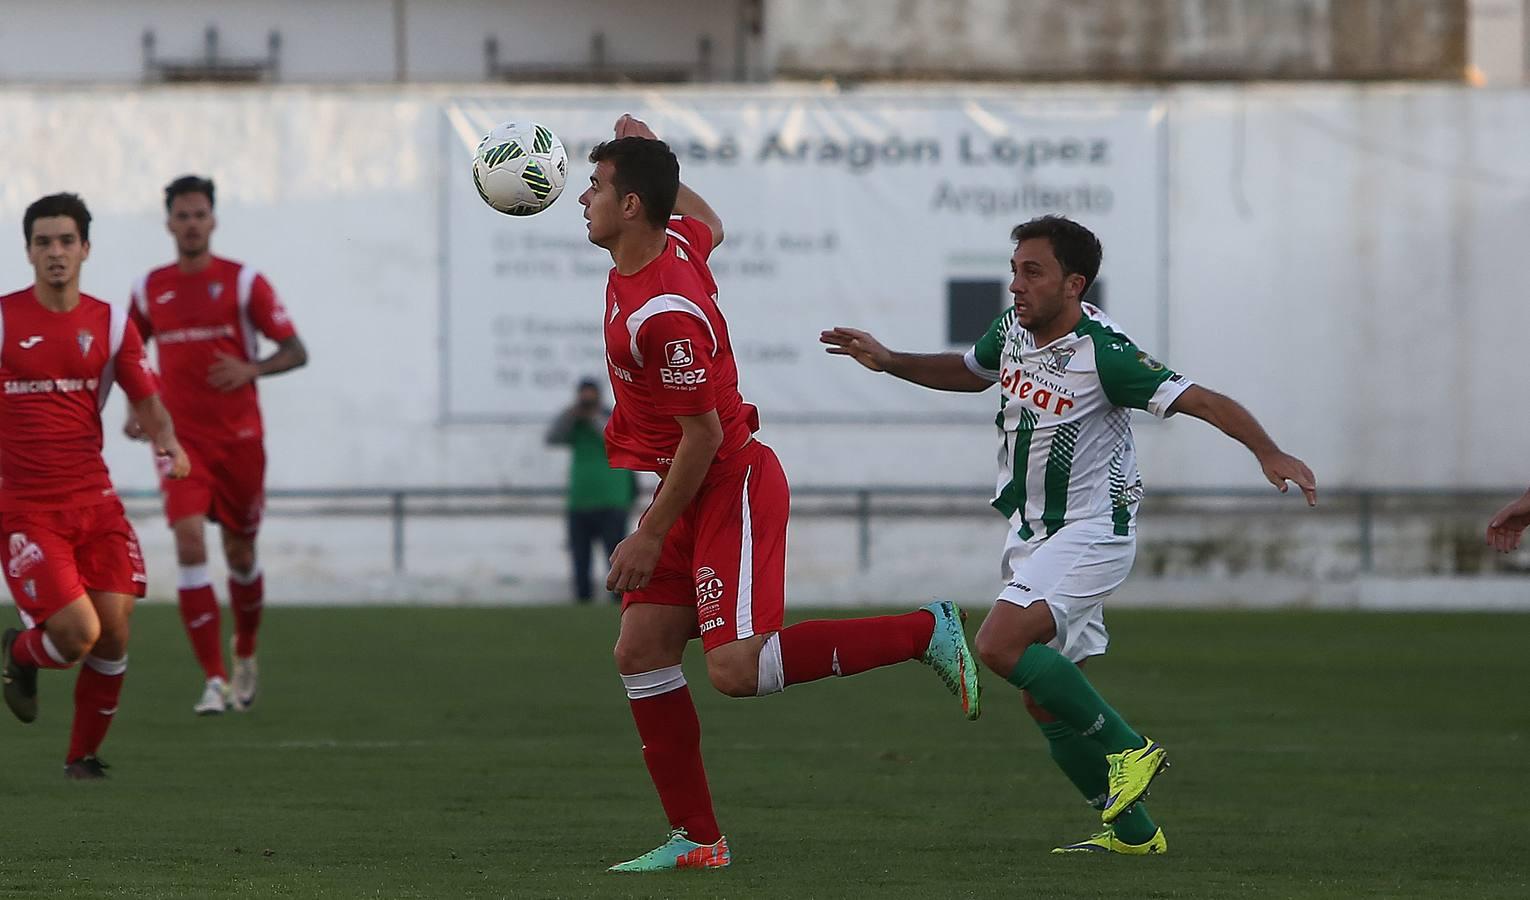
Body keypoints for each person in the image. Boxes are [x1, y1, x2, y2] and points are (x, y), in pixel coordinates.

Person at [821, 214, 1317, 855]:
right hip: (1035, 534)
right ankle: (1134, 835)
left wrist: (1267, 452)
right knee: (1045, 702)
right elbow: (970, 372)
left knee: (998, 646)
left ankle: (1130, 748)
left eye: (1033, 272)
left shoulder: (1104, 353)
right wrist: (889, 361)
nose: (1017, 285)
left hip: (1094, 530)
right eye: (1014, 271)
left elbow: (1201, 398)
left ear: (1074, 283)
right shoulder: (1013, 332)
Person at [580, 115, 981, 873]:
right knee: (640, 650)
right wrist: (654, 155)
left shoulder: (661, 312)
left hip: (727, 480)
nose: (583, 201)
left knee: (735, 671)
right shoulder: (666, 245)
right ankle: (699, 841)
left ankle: (925, 631)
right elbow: (710, 222)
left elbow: (702, 439)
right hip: (687, 480)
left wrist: (650, 533)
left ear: (630, 206)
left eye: (596, 187)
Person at [0, 193, 191, 779]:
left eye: (66, 241)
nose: (55, 253)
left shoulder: (109, 324)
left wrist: (170, 443)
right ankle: (16, 653)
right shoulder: (4, 320)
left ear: (85, 248)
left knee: (112, 634)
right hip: (26, 508)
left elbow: (147, 399)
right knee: (77, 633)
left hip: (95, 502)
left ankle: (81, 758)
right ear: (28, 251)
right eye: (43, 242)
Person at [125, 175, 308, 715]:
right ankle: (214, 680)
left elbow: (296, 350)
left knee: (241, 554)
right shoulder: (147, 289)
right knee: (187, 545)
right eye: (182, 216)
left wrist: (252, 367)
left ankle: (244, 650)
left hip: (240, 444)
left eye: (199, 214)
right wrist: (139, 411)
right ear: (169, 224)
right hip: (180, 443)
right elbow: (130, 357)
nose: (191, 224)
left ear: (213, 220)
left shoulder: (244, 282)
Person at [546, 378, 636, 603]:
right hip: (580, 501)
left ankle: (620, 601)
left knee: (615, 556)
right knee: (580, 558)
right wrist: (571, 414)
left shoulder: (612, 416)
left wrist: (594, 417)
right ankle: (582, 600)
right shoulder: (574, 421)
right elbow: (553, 437)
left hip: (612, 499)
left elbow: (614, 437)